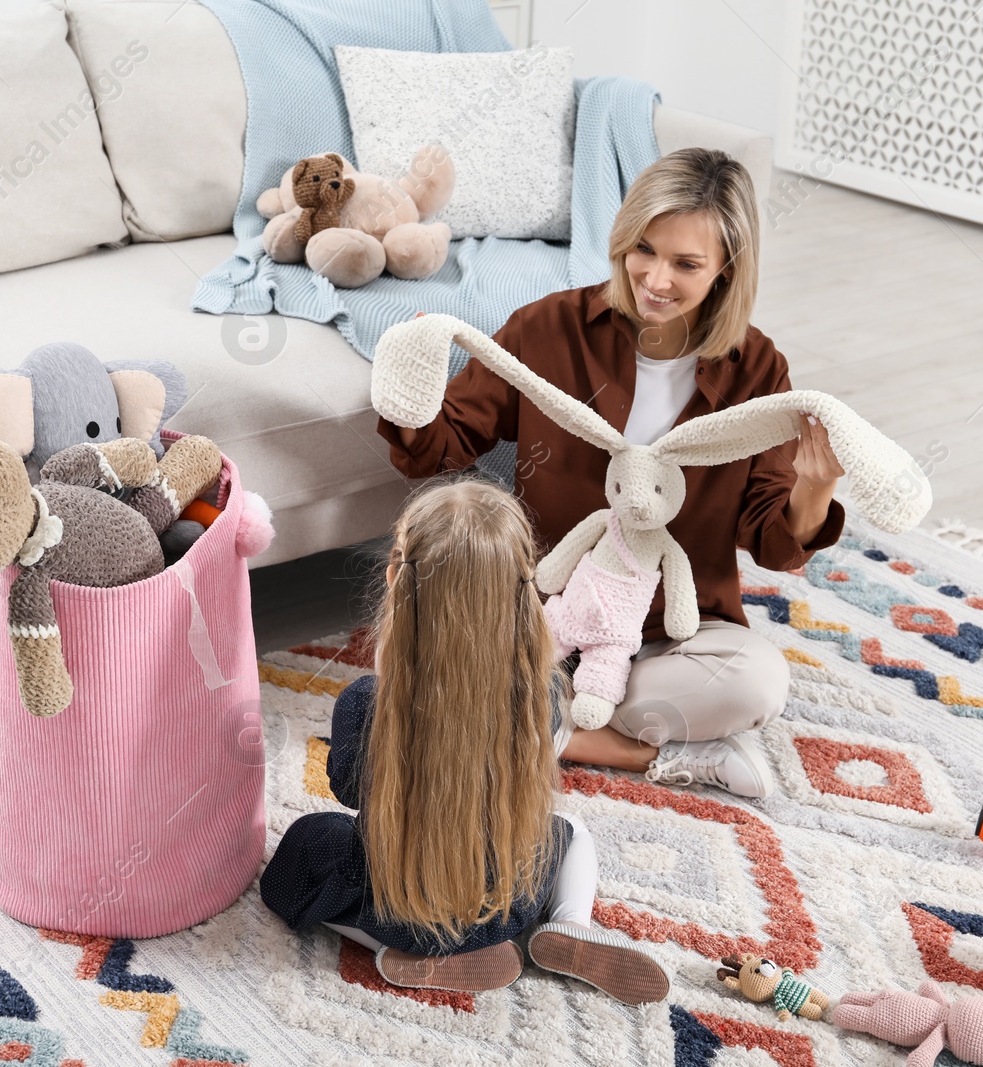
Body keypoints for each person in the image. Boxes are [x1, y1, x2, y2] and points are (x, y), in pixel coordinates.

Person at [377, 148, 846, 799]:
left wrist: (814, 488)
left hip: (670, 635)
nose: (655, 278)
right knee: (422, 651)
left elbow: (769, 538)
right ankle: (627, 744)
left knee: (758, 682)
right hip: (545, 618)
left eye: (686, 264)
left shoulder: (757, 368)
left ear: (727, 270)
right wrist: (412, 382)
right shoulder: (549, 329)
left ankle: (525, 724)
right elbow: (439, 447)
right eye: (643, 250)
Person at [259, 478, 669, 1002]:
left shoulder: (366, 703)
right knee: (569, 831)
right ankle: (571, 922)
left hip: (395, 908)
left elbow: (348, 790)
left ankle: (409, 954)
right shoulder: (538, 698)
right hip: (507, 906)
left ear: (395, 581)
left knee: (301, 850)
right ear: (522, 594)